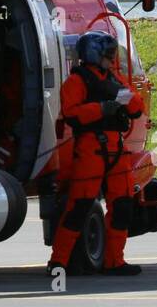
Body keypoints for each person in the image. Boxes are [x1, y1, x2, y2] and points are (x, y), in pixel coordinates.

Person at [48, 30, 145, 277]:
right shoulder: (76, 82)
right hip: (91, 148)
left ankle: (115, 261)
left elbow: (136, 107)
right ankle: (58, 262)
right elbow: (72, 113)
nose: (112, 58)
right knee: (79, 206)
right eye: (108, 53)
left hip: (116, 149)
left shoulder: (113, 79)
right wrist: (101, 109)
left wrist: (127, 99)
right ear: (94, 54)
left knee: (122, 206)